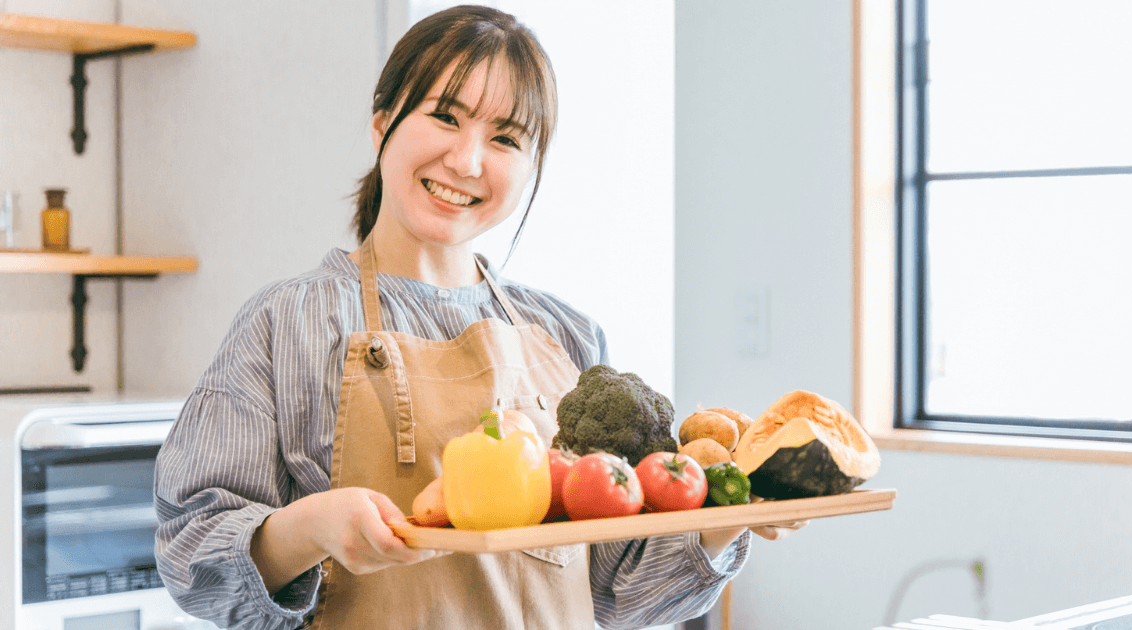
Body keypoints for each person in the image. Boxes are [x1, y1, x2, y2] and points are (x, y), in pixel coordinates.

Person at [154, 6, 801, 629]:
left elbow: (618, 592)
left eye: (505, 138)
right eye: (444, 117)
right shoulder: (286, 323)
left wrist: (728, 513)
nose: (466, 161)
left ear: (531, 167)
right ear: (382, 122)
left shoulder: (569, 335)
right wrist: (308, 528)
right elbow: (191, 555)